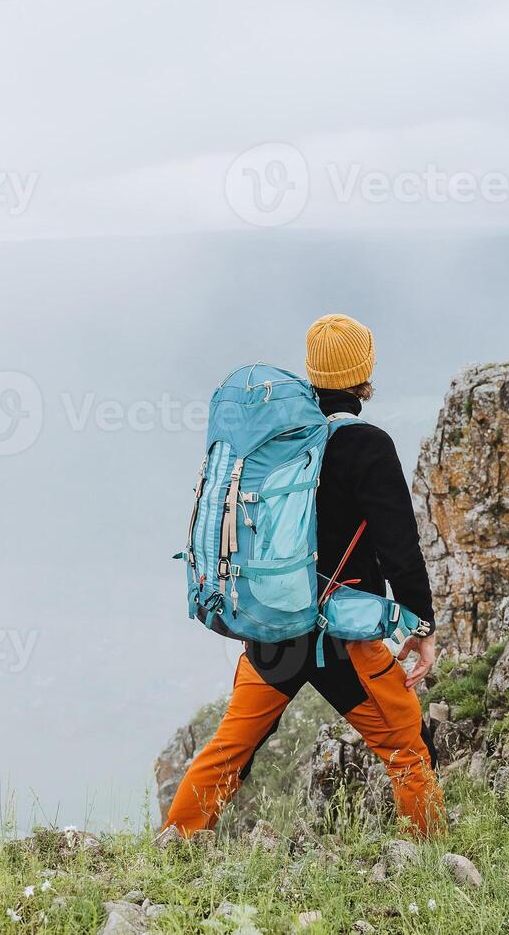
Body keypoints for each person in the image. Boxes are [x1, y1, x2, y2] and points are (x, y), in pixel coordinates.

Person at [161, 313, 445, 838]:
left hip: (273, 628)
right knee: (406, 746)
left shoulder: (282, 440)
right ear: (365, 372)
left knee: (230, 750)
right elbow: (399, 547)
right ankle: (433, 860)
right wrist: (420, 628)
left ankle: (172, 846)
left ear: (312, 373)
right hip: (346, 635)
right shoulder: (369, 445)